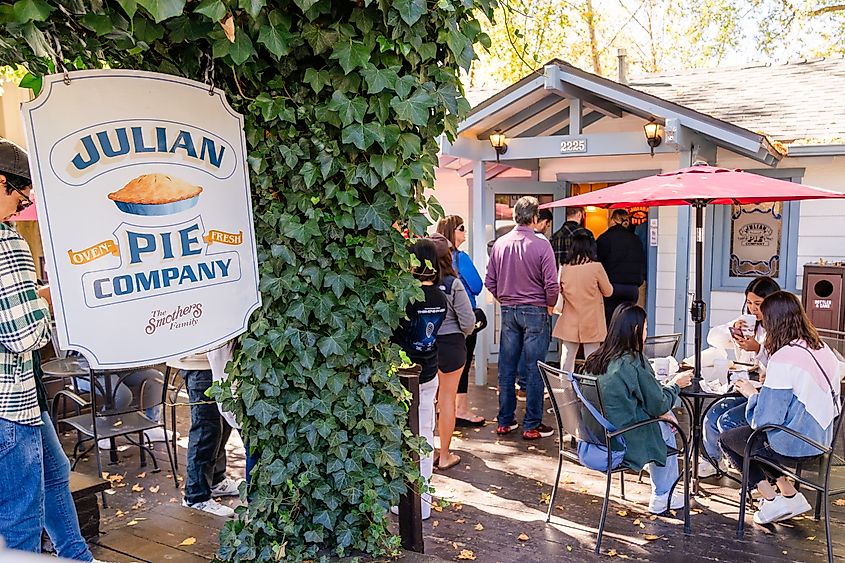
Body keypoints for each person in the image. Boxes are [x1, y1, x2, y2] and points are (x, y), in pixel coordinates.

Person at [720, 291, 840, 524]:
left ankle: (773, 501)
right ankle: (789, 494)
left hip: (797, 445)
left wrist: (751, 393)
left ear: (774, 321)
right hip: (823, 439)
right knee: (750, 441)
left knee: (729, 439)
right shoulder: (821, 348)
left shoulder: (784, 357)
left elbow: (764, 420)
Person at [0, 139, 60, 551]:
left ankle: (78, 555)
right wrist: (48, 310)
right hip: (11, 407)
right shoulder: (8, 243)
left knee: (56, 474)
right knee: (21, 526)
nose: (23, 210)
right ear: (2, 182)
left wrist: (31, 297)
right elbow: (23, 336)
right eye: (22, 199)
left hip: (16, 404)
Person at [582, 304, 693, 514]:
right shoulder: (633, 361)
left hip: (593, 438)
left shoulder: (595, 359)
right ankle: (663, 495)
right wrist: (676, 384)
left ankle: (664, 491)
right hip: (621, 442)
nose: (646, 332)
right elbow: (658, 403)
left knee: (663, 417)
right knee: (666, 423)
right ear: (635, 330)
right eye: (645, 327)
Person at [485, 196, 558, 440]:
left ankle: (505, 420)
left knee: (506, 367)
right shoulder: (541, 243)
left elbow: (490, 281)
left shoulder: (500, 243)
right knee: (534, 368)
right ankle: (532, 424)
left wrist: (503, 299)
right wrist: (549, 306)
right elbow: (551, 283)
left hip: (509, 309)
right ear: (535, 218)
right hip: (536, 309)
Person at [699, 276, 781, 478]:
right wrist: (733, 328)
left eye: (758, 304)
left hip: (767, 395)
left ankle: (758, 476)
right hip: (745, 385)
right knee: (710, 416)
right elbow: (713, 338)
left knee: (726, 421)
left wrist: (759, 349)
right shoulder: (748, 323)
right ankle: (712, 460)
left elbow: (781, 365)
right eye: (750, 303)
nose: (753, 309)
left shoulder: (781, 328)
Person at [392, 238, 447, 519]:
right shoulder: (440, 297)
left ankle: (403, 503)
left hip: (403, 377)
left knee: (401, 438)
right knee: (425, 435)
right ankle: (422, 503)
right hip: (429, 372)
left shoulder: (405, 296)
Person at [430, 234, 475, 470]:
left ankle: (429, 452)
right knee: (447, 400)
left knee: (428, 400)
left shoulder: (416, 284)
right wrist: (461, 335)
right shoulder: (452, 284)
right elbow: (468, 321)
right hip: (452, 346)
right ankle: (445, 454)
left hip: (426, 346)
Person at [180, 352, 244, 517]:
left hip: (216, 362)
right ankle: (195, 497)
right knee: (206, 429)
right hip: (198, 363)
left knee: (223, 424)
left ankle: (216, 479)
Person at [435, 216, 485, 427]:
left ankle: (440, 409)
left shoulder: (433, 262)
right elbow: (476, 285)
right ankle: (460, 409)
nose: (465, 232)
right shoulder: (460, 258)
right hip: (462, 318)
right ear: (451, 232)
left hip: (438, 323)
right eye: (461, 228)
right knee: (462, 366)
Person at [552, 233, 613, 373]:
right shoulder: (596, 267)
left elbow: (558, 290)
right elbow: (608, 291)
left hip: (570, 318)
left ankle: (565, 388)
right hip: (592, 320)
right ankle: (590, 387)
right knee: (592, 357)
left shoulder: (564, 268)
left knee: (567, 357)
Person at [597, 209, 645, 325]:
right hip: (632, 289)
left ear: (612, 220)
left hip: (611, 287)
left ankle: (611, 343)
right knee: (627, 323)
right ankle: (626, 343)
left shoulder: (604, 238)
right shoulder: (635, 239)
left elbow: (598, 263)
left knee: (610, 322)